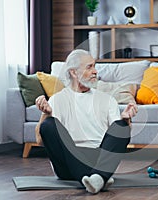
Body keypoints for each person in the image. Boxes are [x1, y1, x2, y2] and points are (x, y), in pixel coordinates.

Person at [35, 49, 137, 194]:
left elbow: (118, 140)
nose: (95, 71)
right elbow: (39, 140)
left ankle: (96, 177)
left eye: (95, 66)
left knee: (122, 126)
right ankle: (99, 177)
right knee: (48, 124)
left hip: (98, 160)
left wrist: (126, 120)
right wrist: (46, 114)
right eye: (89, 67)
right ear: (74, 72)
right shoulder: (57, 99)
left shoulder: (107, 100)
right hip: (67, 163)